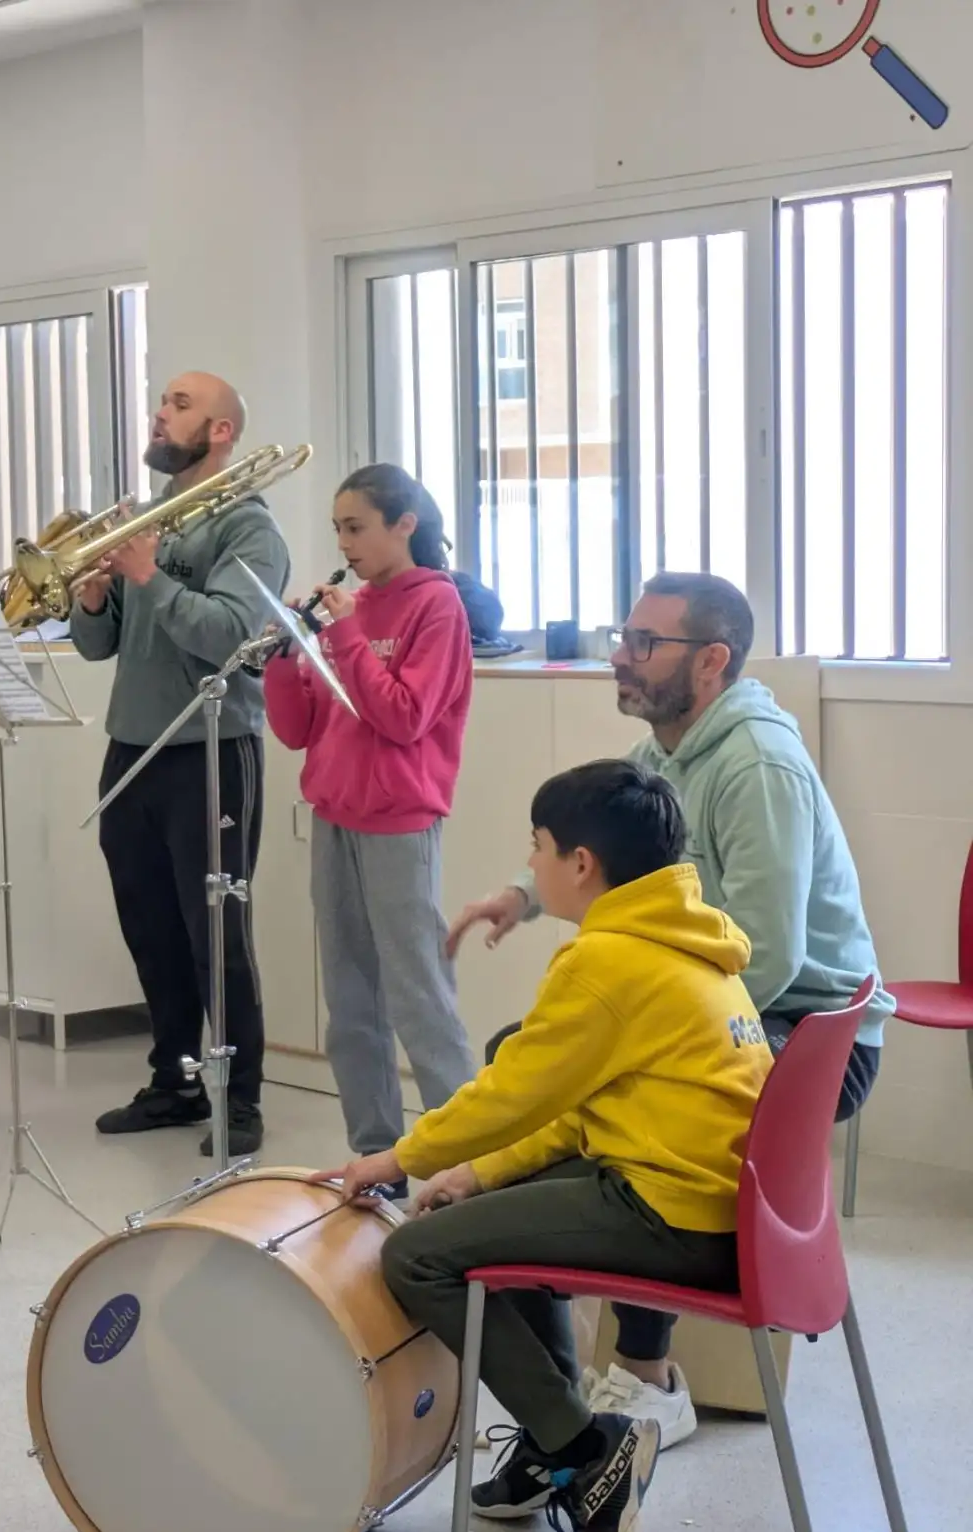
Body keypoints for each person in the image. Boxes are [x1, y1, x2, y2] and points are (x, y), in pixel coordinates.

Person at [447, 570, 888, 1445]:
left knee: (633, 1095)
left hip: (808, 1034)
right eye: (625, 635)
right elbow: (606, 845)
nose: (622, 655)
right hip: (734, 1009)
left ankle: (644, 1376)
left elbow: (771, 952)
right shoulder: (669, 753)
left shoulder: (755, 765)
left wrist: (654, 1045)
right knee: (518, 1052)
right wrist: (520, 897)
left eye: (645, 643)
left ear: (712, 661)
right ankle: (561, 1355)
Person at [323, 759, 771, 1532]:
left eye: (537, 845)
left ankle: (583, 1447)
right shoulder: (684, 937)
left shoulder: (608, 961)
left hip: (674, 1215)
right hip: (708, 1202)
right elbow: (573, 1105)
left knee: (416, 1257)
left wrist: (397, 1160)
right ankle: (552, 1441)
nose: (530, 864)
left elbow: (511, 1095)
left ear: (581, 863)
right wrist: (478, 1172)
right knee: (495, 1197)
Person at [73, 372, 290, 1158]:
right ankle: (174, 1081)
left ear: (222, 431)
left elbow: (228, 635)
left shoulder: (249, 529)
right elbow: (99, 646)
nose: (160, 415)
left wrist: (147, 576)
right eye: (162, 403)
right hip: (132, 745)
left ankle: (242, 1099)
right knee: (150, 927)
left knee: (216, 933)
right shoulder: (149, 522)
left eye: (180, 405)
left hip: (212, 749)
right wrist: (93, 600)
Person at [263, 464, 476, 1194]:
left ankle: (467, 1159)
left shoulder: (435, 606)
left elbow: (403, 717)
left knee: (419, 996)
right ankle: (377, 1157)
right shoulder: (347, 613)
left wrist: (348, 636)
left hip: (398, 823)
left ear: (404, 525)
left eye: (356, 527)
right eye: (338, 530)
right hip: (335, 817)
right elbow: (298, 730)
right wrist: (284, 659)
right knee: (351, 1004)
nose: (344, 544)